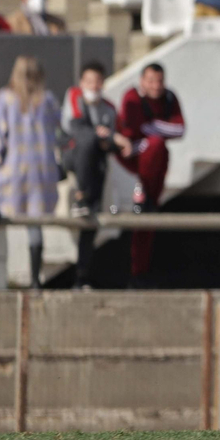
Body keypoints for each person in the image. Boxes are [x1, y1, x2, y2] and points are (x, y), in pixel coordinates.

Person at [0, 56, 60, 288]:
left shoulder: (6, 99)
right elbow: (60, 133)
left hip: (13, 173)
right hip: (42, 174)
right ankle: (35, 280)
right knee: (35, 223)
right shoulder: (48, 100)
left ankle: (0, 278)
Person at [63, 60, 129, 288]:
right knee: (87, 140)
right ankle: (80, 195)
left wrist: (107, 139)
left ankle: (82, 277)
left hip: (95, 171)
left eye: (98, 81)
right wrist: (106, 136)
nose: (93, 85)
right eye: (89, 81)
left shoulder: (109, 108)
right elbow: (77, 130)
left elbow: (114, 145)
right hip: (72, 161)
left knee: (91, 222)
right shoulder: (74, 96)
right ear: (82, 82)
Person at [115, 63, 185, 277]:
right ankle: (133, 272)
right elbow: (134, 135)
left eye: (159, 81)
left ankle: (141, 274)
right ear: (142, 81)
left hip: (154, 170)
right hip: (131, 167)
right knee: (155, 144)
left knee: (148, 219)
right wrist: (155, 132)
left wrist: (152, 127)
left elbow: (180, 129)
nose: (156, 86)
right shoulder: (132, 98)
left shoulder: (169, 98)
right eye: (151, 81)